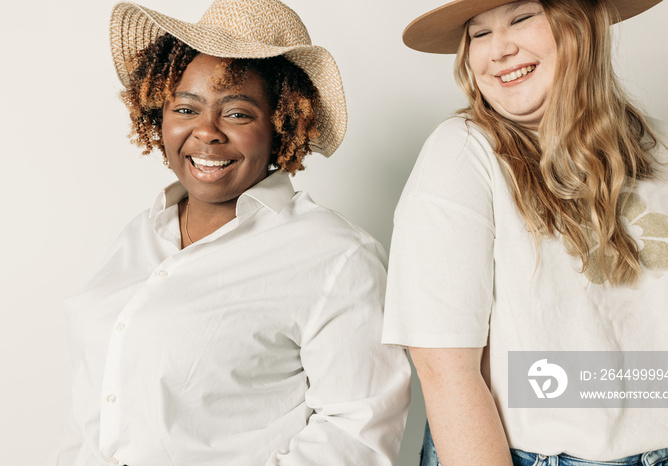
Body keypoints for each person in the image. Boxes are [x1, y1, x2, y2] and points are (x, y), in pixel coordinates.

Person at [49, 0, 411, 464]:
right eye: (185, 108)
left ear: (282, 126)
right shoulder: (140, 234)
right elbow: (90, 411)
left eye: (237, 113)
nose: (206, 133)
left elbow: (357, 435)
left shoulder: (337, 257)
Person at [382, 0, 668, 465]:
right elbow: (445, 370)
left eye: (521, 18)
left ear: (582, 23)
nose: (498, 50)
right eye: (479, 34)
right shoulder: (464, 154)